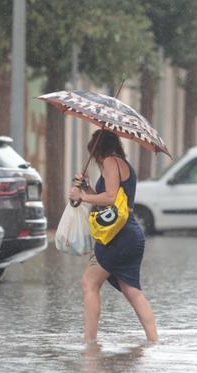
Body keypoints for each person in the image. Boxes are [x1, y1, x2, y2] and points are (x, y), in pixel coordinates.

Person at [68, 130, 159, 343]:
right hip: (130, 235)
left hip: (117, 237)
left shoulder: (110, 161)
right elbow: (111, 199)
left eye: (95, 154)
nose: (97, 160)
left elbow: (110, 198)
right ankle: (154, 340)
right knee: (131, 290)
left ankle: (90, 343)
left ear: (99, 150)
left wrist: (82, 196)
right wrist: (87, 188)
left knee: (89, 283)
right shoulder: (122, 164)